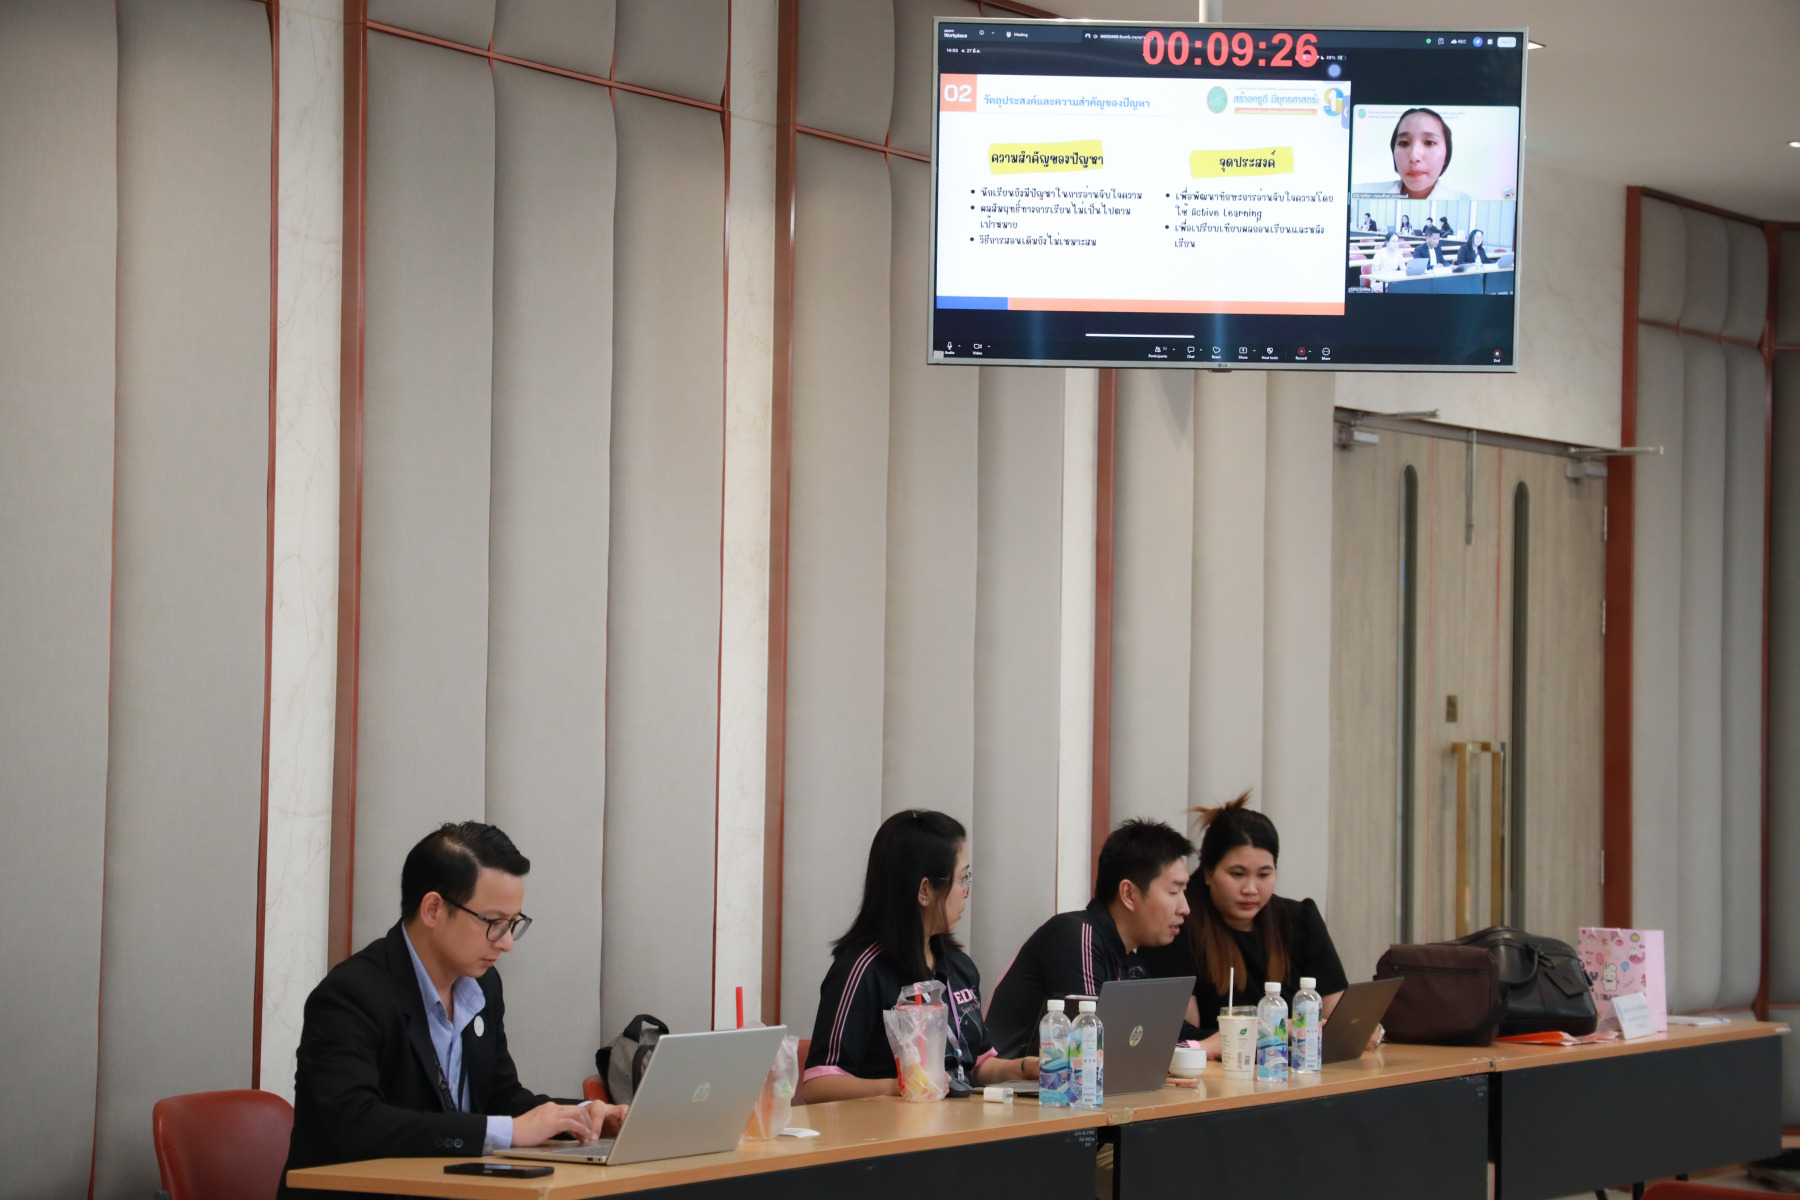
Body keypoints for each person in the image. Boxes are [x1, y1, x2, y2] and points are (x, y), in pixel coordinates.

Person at [281, 823, 626, 1198]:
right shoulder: (351, 995)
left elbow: (500, 1098)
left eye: (513, 924)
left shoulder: (483, 986)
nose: (507, 943)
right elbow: (355, 1122)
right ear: (433, 909)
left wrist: (584, 1117)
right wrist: (508, 1132)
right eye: (494, 923)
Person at [801, 810, 1038, 1102]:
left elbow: (976, 1066)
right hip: (891, 1127)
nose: (966, 892)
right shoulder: (862, 970)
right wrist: (899, 1087)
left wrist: (1028, 1067)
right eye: (962, 878)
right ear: (925, 890)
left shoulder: (959, 967)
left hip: (959, 1123)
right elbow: (819, 1084)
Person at [1139, 794, 1359, 1055]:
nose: (1251, 889)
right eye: (1237, 874)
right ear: (1208, 872)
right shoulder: (1177, 926)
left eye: (1264, 874)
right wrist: (1273, 1031)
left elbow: (1337, 1021)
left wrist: (1359, 1030)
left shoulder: (1300, 920)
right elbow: (1183, 1035)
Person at [985, 819, 1194, 1058]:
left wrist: (1218, 1040)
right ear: (1128, 894)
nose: (1185, 908)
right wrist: (1200, 1047)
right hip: (1013, 1079)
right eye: (1174, 892)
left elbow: (1171, 1032)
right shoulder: (1075, 936)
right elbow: (1093, 1045)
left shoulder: (1130, 962)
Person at [1355, 107, 1469, 200]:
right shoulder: (1359, 193)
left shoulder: (1465, 201)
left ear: (1446, 154)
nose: (1414, 156)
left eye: (1429, 142)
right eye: (1404, 143)